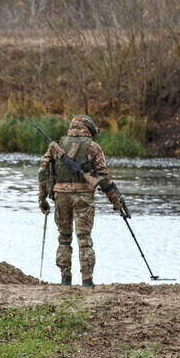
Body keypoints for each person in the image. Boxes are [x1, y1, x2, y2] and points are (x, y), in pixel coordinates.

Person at [37, 115, 123, 287]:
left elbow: (42, 172)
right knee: (84, 239)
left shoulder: (57, 144)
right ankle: (87, 281)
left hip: (60, 196)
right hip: (84, 196)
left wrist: (42, 199)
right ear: (89, 129)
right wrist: (116, 202)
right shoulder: (93, 147)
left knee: (64, 237)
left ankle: (65, 279)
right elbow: (104, 178)